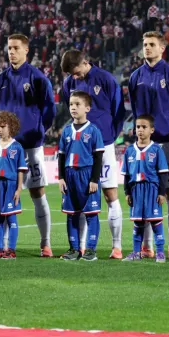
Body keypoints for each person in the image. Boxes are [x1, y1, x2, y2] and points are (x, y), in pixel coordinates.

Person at [0, 34, 57, 257]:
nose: (11, 52)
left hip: (30, 146)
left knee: (37, 192)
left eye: (16, 48)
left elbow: (49, 111)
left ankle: (45, 243)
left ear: (26, 51)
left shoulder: (38, 78)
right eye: (9, 48)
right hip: (7, 149)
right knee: (7, 195)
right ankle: (6, 246)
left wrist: (36, 130)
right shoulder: (0, 80)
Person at [128, 32, 169, 259]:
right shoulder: (135, 77)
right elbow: (135, 109)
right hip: (143, 144)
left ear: (162, 48)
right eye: (145, 44)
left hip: (166, 141)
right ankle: (146, 246)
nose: (147, 48)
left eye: (152, 44)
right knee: (143, 192)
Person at [60, 49, 126, 259]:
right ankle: (78, 248)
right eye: (71, 74)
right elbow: (67, 104)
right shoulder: (70, 82)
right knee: (78, 197)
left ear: (85, 62)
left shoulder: (106, 79)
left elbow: (119, 111)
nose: (75, 77)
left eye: (77, 72)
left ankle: (116, 246)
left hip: (103, 145)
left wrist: (109, 136)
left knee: (109, 194)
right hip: (79, 146)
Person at [56, 91, 105, 262]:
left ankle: (90, 250)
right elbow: (61, 156)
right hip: (70, 176)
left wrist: (94, 179)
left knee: (91, 214)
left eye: (77, 104)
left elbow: (98, 157)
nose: (73, 108)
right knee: (72, 214)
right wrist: (61, 178)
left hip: (86, 175)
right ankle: (74, 249)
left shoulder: (93, 131)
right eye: (71, 104)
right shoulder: (66, 131)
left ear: (87, 108)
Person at [121, 115, 169, 263]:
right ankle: (136, 252)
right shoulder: (129, 150)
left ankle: (160, 252)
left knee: (155, 221)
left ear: (151, 130)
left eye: (144, 127)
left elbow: (163, 174)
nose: (140, 130)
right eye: (138, 127)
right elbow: (126, 174)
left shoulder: (156, 150)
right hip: (136, 190)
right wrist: (127, 192)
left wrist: (162, 193)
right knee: (138, 222)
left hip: (152, 190)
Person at [0, 111, 27, 260]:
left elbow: (21, 170)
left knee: (12, 218)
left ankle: (11, 250)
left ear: (11, 127)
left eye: (3, 126)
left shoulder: (17, 147)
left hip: (10, 185)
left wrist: (19, 189)